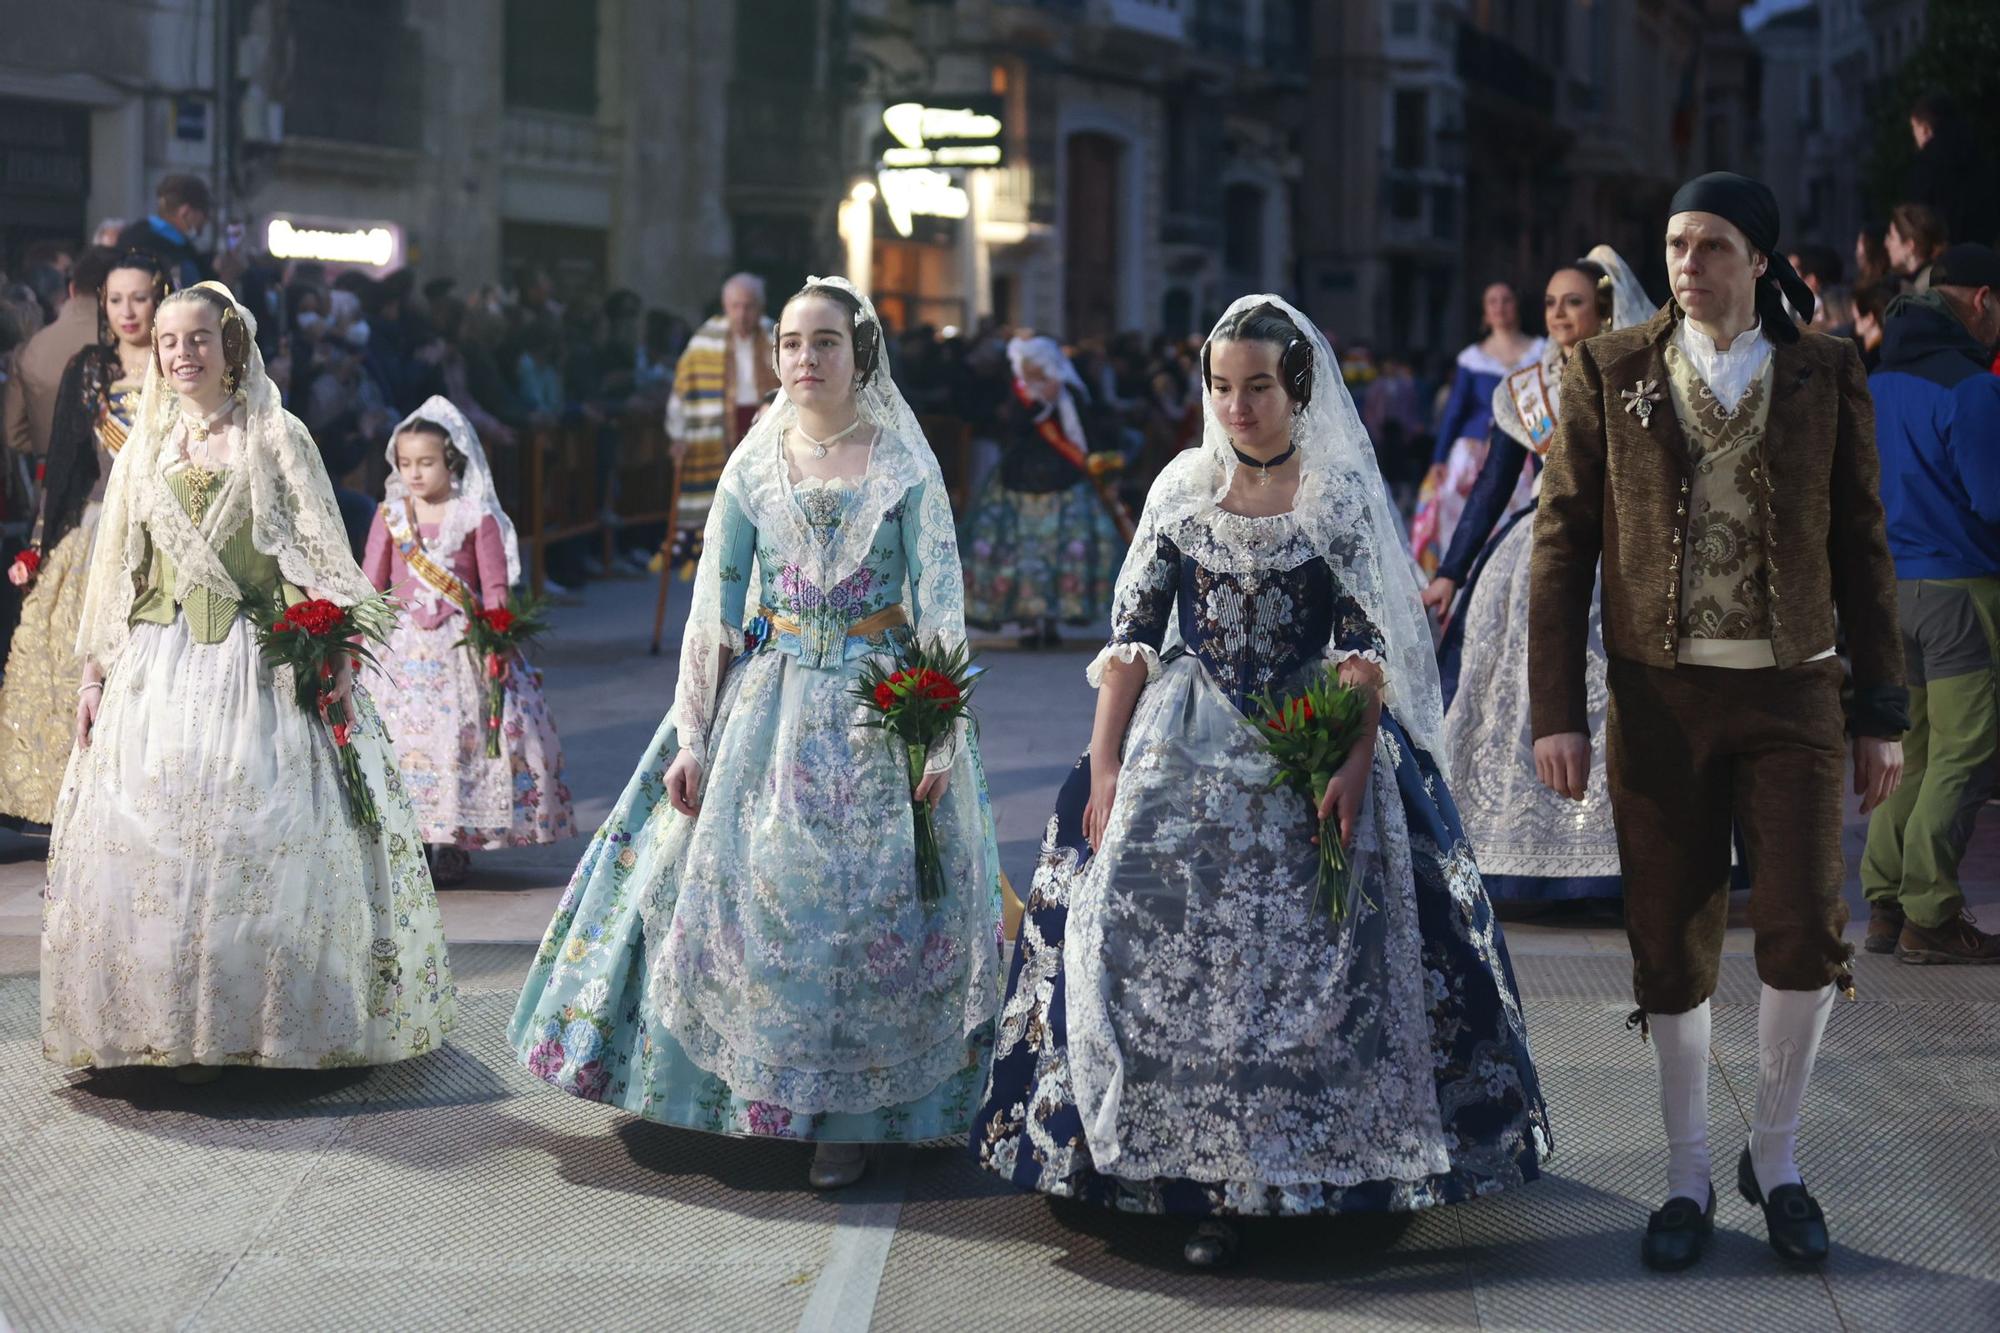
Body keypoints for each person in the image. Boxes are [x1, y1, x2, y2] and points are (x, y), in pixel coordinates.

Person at [972, 296, 1548, 1269]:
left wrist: (1356, 758)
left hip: (1306, 730)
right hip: (1181, 737)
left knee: (1323, 946)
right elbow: (1130, 638)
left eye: (1257, 389)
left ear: (1296, 389)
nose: (1237, 408)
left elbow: (1364, 649)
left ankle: (1308, 1162)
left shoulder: (1333, 497)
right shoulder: (1180, 491)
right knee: (1123, 919)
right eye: (1221, 388)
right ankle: (1170, 1167)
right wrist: (1105, 765)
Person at [512, 278, 1001, 1190]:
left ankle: (841, 1118)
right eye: (790, 343)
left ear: (860, 355)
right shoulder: (752, 463)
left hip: (874, 708)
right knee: (755, 909)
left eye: (823, 342)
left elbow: (940, 608)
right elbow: (713, 610)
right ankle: (752, 1099)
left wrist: (936, 735)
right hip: (765, 710)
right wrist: (693, 734)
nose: (805, 359)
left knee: (855, 917)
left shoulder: (903, 466)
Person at [1530, 173, 1906, 1271]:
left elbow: (1861, 547)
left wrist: (1878, 713)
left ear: (1757, 260)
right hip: (1657, 698)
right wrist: (1555, 711)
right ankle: (1685, 1168)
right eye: (1674, 245)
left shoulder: (1826, 369)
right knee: (1668, 936)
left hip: (1795, 691)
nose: (1686, 264)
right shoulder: (1606, 368)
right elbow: (1560, 548)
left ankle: (1775, 1156)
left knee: (1800, 926)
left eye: (1709, 246)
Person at [43, 281, 455, 1079]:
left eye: (198, 338)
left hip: (254, 660)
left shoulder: (276, 435)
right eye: (169, 341)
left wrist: (331, 648)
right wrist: (94, 674)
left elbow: (319, 549)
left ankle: (257, 1025)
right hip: (158, 665)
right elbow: (113, 572)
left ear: (230, 345)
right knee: (152, 835)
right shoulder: (146, 447)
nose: (181, 353)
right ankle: (158, 1022)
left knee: (258, 831)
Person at [1420, 249, 1652, 904]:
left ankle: (1619, 862)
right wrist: (1453, 572)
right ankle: (1515, 858)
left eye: (1573, 301)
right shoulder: (1529, 390)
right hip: (1539, 549)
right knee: (1506, 690)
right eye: (1550, 302)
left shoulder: (1642, 379)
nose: (1558, 314)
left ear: (1604, 308)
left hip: (1626, 550)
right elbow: (1493, 487)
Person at [362, 398, 575, 886]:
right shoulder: (390, 516)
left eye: (427, 463)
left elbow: (494, 586)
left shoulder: (474, 516)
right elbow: (372, 584)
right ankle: (413, 840)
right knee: (407, 743)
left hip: (463, 645)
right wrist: (358, 644)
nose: (415, 473)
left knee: (461, 740)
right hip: (403, 649)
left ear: (451, 461)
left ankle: (454, 841)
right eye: (406, 463)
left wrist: (497, 638)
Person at [1858, 243, 2000, 965]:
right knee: (1966, 752)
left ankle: (1885, 901)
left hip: (1892, 592)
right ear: (1982, 300)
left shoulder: (1882, 382)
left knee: (1912, 752)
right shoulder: (1972, 389)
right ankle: (1932, 915)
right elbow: (1992, 500)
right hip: (1960, 591)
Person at [0, 253, 168, 830]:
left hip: (166, 532)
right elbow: (66, 463)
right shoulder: (90, 367)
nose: (126, 311)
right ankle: (78, 803)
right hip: (97, 530)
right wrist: (41, 545)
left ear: (160, 296)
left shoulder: (181, 361)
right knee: (73, 667)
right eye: (115, 300)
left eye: (138, 298)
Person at [960, 336, 1127, 648]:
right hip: (1018, 479)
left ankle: (1051, 619)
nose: (1027, 373)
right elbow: (1014, 429)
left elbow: (1089, 432)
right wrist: (1042, 405)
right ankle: (1027, 622)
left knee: (1061, 549)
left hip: (1065, 480)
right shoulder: (1019, 394)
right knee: (1020, 552)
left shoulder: (1071, 394)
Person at [1410, 282, 1545, 574]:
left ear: (1518, 306)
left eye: (1506, 300)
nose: (1499, 307)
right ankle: (1459, 577)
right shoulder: (1472, 359)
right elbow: (1454, 413)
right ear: (1485, 313)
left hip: (1524, 452)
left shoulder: (1541, 351)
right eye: (1492, 301)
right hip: (1473, 453)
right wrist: (1439, 459)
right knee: (1453, 506)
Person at [663, 273, 779, 571]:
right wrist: (677, 435)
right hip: (716, 429)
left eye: (750, 306)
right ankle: (716, 557)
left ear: (761, 306)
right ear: (726, 306)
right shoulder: (705, 339)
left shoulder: (774, 334)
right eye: (736, 306)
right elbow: (684, 387)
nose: (742, 314)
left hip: (762, 422)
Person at [4, 247, 117, 460]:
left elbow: (14, 435)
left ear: (72, 290)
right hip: (120, 480)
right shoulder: (134, 345)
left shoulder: (30, 347)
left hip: (50, 476)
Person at [1905, 93, 1999, 250]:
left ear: (1926, 129)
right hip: (1984, 249)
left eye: (1915, 129)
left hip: (1944, 253)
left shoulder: (1927, 162)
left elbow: (1918, 214)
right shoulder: (1979, 153)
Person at [114, 175, 214, 292]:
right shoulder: (175, 253)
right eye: (204, 214)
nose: (205, 221)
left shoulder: (130, 235)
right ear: (185, 212)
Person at [1887, 203, 1949, 293]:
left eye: (1892, 237)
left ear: (1909, 246)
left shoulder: (1923, 289)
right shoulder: (1926, 280)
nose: (1887, 243)